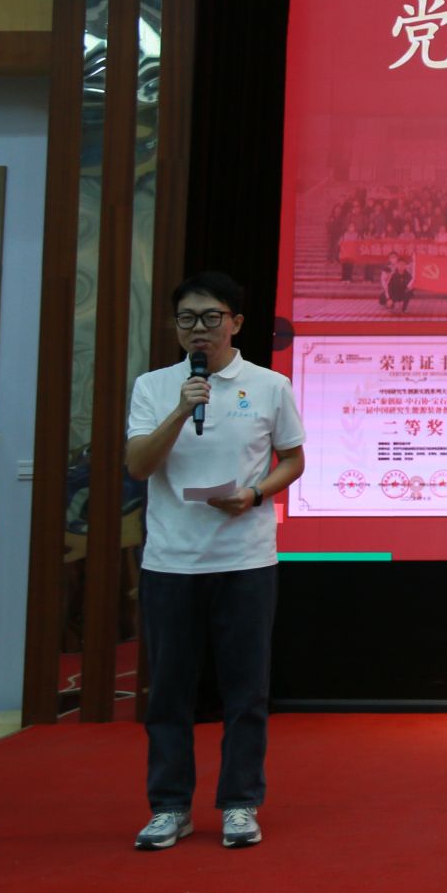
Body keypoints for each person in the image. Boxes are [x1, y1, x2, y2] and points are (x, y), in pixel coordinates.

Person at [126, 271, 305, 851]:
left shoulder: (270, 385)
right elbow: (138, 465)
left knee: (245, 690)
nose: (197, 329)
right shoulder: (155, 386)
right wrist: (180, 411)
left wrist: (254, 494)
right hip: (171, 563)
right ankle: (170, 807)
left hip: (245, 560)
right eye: (187, 319)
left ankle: (240, 802)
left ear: (236, 323)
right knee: (169, 692)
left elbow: (293, 460)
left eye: (210, 317)